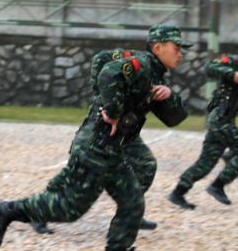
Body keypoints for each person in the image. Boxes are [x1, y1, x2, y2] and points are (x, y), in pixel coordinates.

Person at [0, 24, 190, 251]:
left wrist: (169, 96)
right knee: (71, 208)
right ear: (158, 47)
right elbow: (107, 72)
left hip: (112, 151)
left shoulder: (156, 78)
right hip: (96, 146)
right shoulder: (142, 64)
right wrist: (112, 108)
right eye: (177, 48)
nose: (181, 53)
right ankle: (7, 210)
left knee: (132, 202)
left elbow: (174, 119)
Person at [28, 47, 168, 235]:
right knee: (75, 172)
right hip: (106, 125)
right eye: (175, 48)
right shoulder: (135, 58)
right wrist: (104, 98)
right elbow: (101, 59)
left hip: (126, 129)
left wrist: (163, 91)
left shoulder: (158, 70)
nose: (179, 54)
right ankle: (38, 212)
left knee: (147, 164)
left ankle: (131, 212)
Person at [168, 33, 238, 208]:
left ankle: (178, 193)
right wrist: (231, 74)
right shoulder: (233, 61)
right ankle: (218, 186)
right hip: (220, 118)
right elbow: (210, 67)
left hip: (226, 119)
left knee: (206, 162)